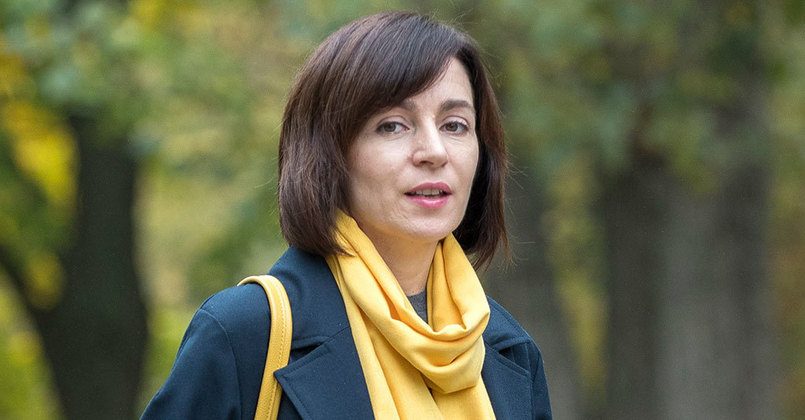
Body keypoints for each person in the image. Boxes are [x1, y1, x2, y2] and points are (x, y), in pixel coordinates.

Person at [142, 11, 551, 419]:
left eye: (455, 125)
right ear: (329, 154)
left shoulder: (510, 352)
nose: (434, 151)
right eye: (393, 126)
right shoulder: (245, 335)